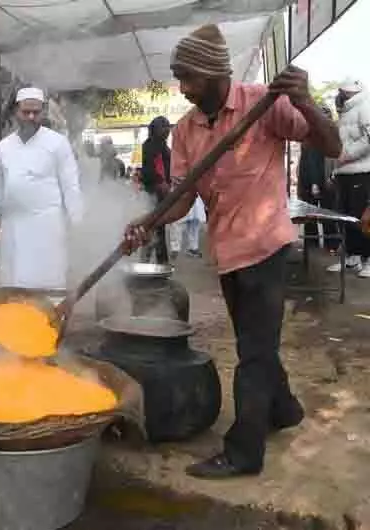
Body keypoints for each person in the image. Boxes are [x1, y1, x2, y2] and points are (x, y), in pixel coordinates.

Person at [123, 24, 341, 479]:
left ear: (215, 74)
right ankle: (284, 410)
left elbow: (331, 144)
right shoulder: (185, 131)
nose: (182, 89)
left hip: (265, 245)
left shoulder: (265, 103)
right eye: (178, 78)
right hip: (226, 250)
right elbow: (183, 198)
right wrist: (149, 222)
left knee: (254, 353)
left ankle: (244, 451)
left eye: (189, 78)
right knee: (254, 341)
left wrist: (303, 100)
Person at [0, 87, 83, 290]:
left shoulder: (57, 144)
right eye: (25, 112)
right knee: (13, 285)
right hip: (12, 227)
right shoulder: (4, 146)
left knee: (46, 286)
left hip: (46, 227)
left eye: (36, 112)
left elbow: (71, 186)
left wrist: (77, 222)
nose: (31, 117)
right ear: (16, 111)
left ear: (44, 112)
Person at [329, 80, 370, 276]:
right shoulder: (343, 112)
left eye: (344, 91)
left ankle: (368, 259)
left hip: (361, 172)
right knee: (345, 216)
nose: (341, 95)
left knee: (363, 217)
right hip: (344, 172)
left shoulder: (365, 106)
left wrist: (348, 154)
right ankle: (353, 257)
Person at [298, 105, 338, 250]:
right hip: (308, 179)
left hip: (324, 179)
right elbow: (306, 161)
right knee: (309, 213)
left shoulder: (332, 134)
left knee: (328, 213)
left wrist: (320, 182)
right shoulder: (309, 133)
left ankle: (331, 243)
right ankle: (313, 242)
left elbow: (334, 159)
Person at [140, 116, 173, 263]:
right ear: (155, 129)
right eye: (163, 127)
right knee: (151, 227)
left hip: (162, 193)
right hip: (152, 193)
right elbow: (148, 171)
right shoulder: (149, 146)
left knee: (160, 228)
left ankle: (160, 260)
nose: (167, 130)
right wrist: (160, 182)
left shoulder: (165, 147)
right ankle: (150, 260)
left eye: (168, 127)